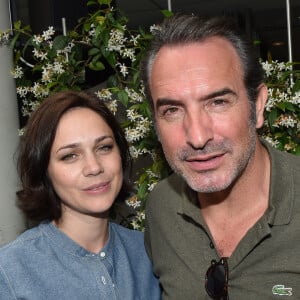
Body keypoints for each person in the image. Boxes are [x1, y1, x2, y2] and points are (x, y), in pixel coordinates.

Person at [141, 14, 300, 299]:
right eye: (172, 110)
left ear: (258, 106)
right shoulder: (162, 208)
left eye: (218, 102)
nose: (198, 137)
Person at [0, 91, 161, 299]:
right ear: (44, 170)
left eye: (104, 147)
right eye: (70, 156)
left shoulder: (149, 252)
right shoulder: (11, 271)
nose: (94, 167)